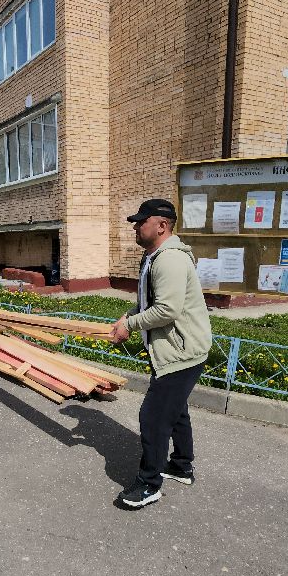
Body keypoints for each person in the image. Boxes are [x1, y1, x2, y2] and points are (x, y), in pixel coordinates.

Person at [110, 198, 212, 509]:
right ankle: (181, 466)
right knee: (176, 411)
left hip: (180, 352)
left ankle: (149, 484)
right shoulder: (154, 256)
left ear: (162, 226)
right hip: (177, 348)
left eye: (142, 222)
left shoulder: (169, 259)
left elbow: (167, 309)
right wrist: (129, 315)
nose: (136, 227)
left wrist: (130, 325)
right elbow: (150, 301)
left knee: (153, 418)